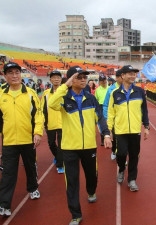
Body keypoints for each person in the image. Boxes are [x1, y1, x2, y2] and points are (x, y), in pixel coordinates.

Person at [48, 66, 112, 225]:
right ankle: (75, 214)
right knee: (72, 181)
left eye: (85, 77)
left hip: (89, 146)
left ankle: (91, 191)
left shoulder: (90, 98)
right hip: (69, 148)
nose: (84, 80)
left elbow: (100, 118)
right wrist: (65, 85)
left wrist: (106, 134)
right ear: (71, 80)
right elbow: (52, 104)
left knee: (92, 175)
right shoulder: (63, 98)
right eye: (79, 77)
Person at [0, 62, 43, 217]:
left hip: (28, 139)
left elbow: (38, 115)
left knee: (30, 166)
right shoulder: (1, 94)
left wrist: (37, 133)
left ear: (21, 74)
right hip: (9, 141)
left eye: (17, 72)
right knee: (8, 173)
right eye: (10, 73)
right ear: (5, 76)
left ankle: (33, 188)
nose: (14, 75)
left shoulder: (30, 93)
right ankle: (4, 204)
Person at [107, 65, 149, 192]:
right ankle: (121, 168)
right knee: (121, 154)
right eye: (129, 73)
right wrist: (109, 131)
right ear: (122, 76)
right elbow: (111, 113)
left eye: (134, 73)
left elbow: (144, 111)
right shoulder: (115, 93)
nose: (132, 76)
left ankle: (132, 179)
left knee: (134, 156)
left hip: (135, 130)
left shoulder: (140, 92)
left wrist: (146, 127)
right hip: (120, 130)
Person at [41, 70, 64, 173]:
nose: (56, 79)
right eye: (54, 77)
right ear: (50, 80)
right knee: (51, 144)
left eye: (58, 77)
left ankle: (60, 165)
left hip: (63, 123)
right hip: (50, 123)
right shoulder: (46, 94)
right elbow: (43, 109)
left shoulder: (65, 92)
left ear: (61, 79)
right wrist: (43, 122)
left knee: (61, 145)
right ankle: (58, 157)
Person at [103, 70, 123, 160]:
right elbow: (106, 104)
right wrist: (106, 118)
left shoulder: (129, 88)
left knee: (123, 138)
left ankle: (122, 155)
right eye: (121, 76)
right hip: (114, 118)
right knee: (114, 137)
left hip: (124, 119)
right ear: (117, 78)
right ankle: (114, 151)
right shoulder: (110, 89)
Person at [95, 75, 108, 146]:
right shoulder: (97, 90)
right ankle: (102, 138)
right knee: (102, 122)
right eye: (102, 80)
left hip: (109, 106)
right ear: (99, 82)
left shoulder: (109, 88)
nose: (104, 81)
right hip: (101, 106)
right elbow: (96, 99)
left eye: (105, 80)